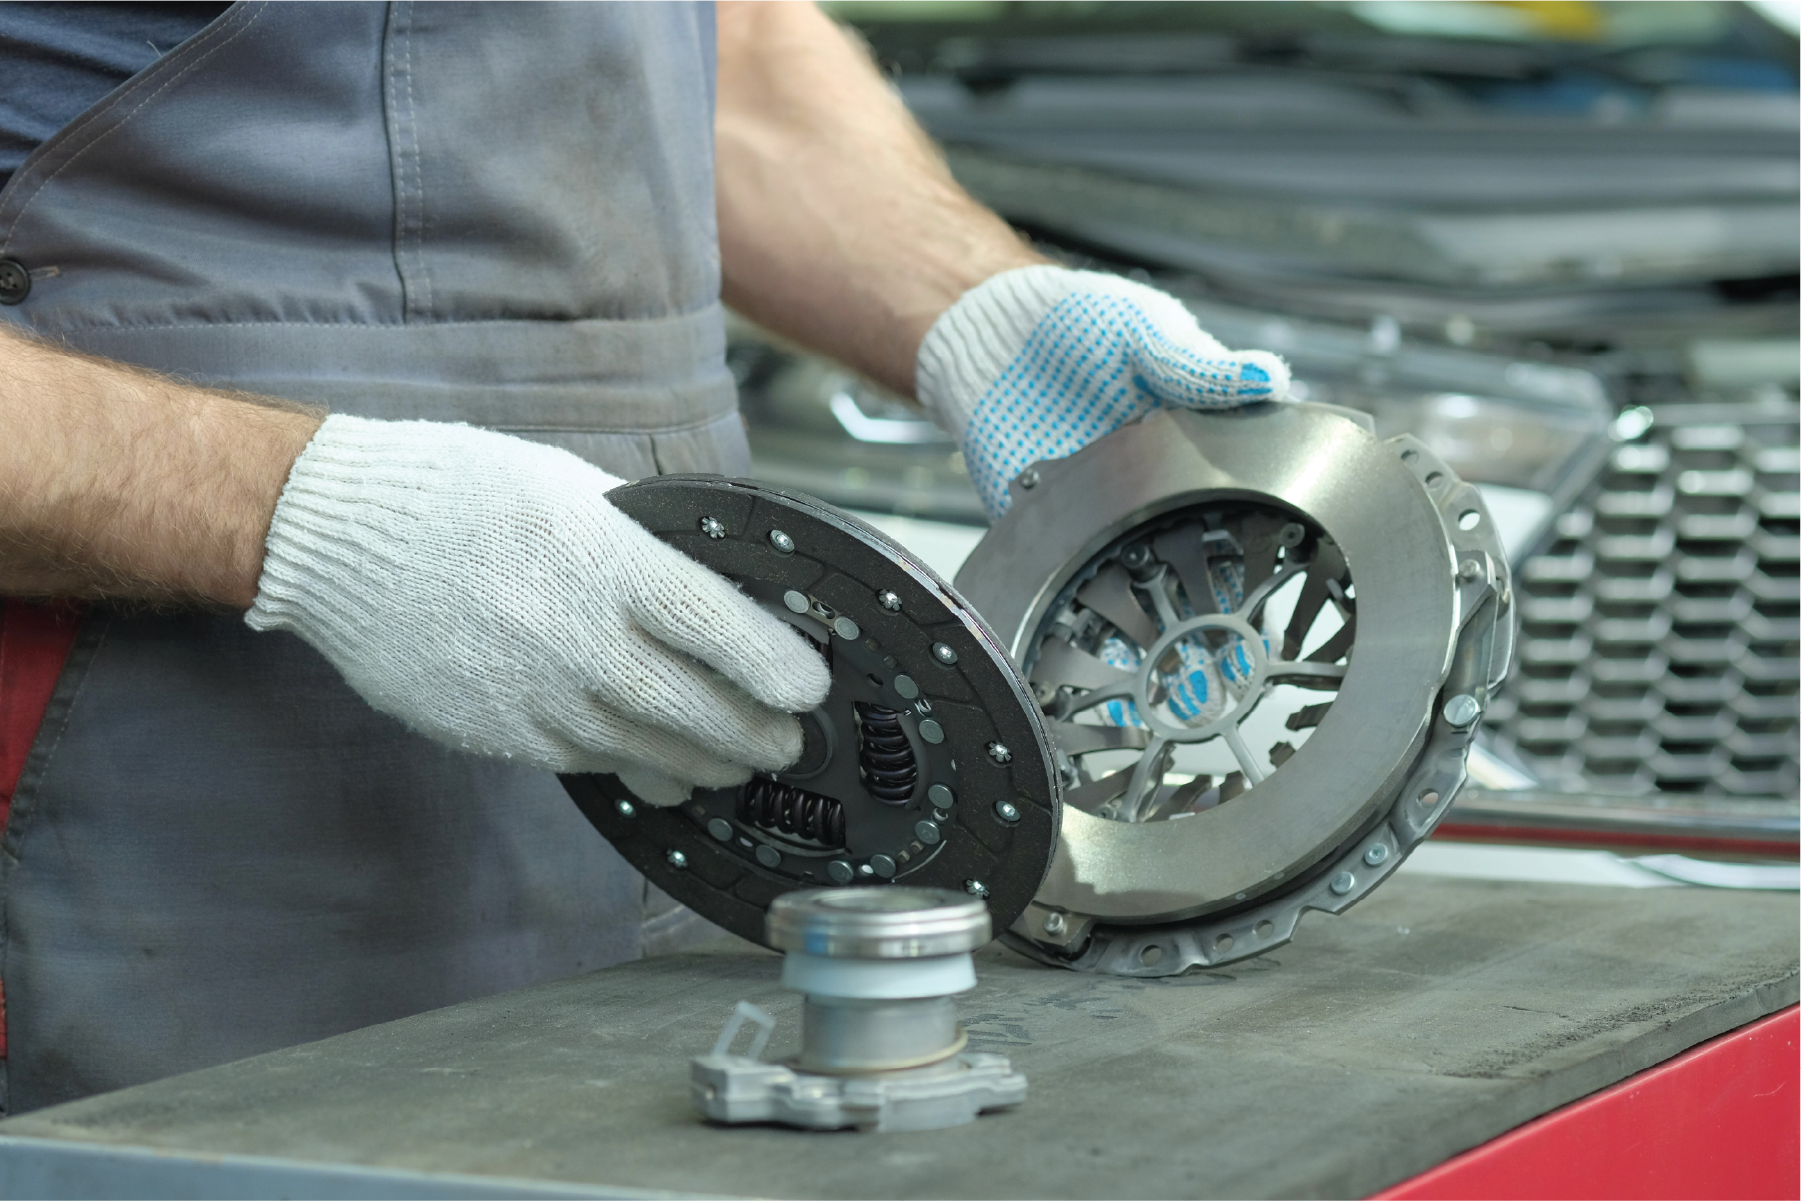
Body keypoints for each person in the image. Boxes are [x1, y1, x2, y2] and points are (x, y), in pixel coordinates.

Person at [0, 0, 1287, 1113]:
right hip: (158, 753)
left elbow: (723, 44)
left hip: (680, 721)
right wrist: (308, 508)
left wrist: (971, 305)